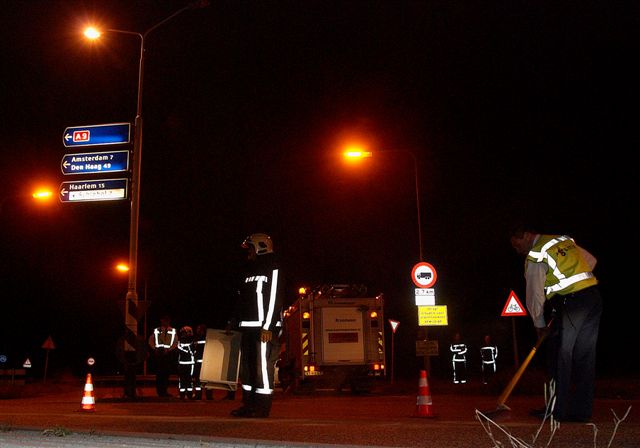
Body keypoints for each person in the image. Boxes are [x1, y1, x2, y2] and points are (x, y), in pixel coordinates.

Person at [510, 225, 602, 422]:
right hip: (592, 298)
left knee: (560, 354)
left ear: (526, 235)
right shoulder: (562, 240)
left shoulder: (536, 254)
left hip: (571, 303)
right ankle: (580, 412)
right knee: (584, 357)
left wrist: (539, 324)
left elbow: (534, 295)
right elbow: (591, 261)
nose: (518, 251)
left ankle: (555, 410)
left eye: (517, 246)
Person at [230, 233, 284, 418]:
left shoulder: (272, 267)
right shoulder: (248, 270)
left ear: (260, 247)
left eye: (250, 248)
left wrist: (268, 326)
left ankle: (262, 407)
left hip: (263, 329)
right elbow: (242, 300)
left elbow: (275, 298)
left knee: (262, 369)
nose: (248, 252)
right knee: (247, 369)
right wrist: (234, 322)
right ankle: (248, 404)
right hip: (247, 328)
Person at [148, 315, 178, 397]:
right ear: (161, 321)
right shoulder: (157, 330)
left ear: (169, 321)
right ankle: (160, 391)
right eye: (164, 320)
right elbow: (151, 340)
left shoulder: (172, 331)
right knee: (159, 374)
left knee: (166, 374)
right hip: (159, 354)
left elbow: (175, 342)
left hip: (168, 354)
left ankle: (164, 391)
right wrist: (155, 349)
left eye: (166, 320)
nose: (165, 322)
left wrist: (169, 350)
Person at [115, 332, 148, 401]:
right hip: (128, 360)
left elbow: (143, 349)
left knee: (132, 376)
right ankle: (129, 393)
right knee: (129, 376)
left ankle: (131, 393)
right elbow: (119, 350)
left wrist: (140, 358)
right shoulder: (125, 339)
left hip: (133, 360)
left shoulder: (138, 339)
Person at [193, 323, 213, 400]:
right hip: (205, 362)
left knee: (200, 380)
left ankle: (199, 395)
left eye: (198, 329)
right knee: (206, 380)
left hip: (201, 362)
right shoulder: (207, 338)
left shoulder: (200, 338)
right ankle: (208, 396)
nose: (197, 330)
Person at [177, 325, 196, 399]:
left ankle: (183, 394)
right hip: (189, 363)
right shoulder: (192, 341)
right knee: (188, 379)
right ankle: (189, 394)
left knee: (183, 379)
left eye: (184, 333)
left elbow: (181, 350)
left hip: (184, 363)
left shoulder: (180, 341)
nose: (182, 334)